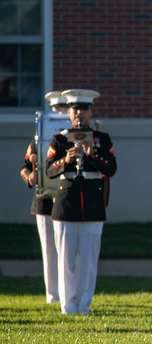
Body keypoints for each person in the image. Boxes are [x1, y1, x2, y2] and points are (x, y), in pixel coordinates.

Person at [45, 89, 117, 314]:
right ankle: (68, 306)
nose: (80, 114)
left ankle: (84, 305)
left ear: (90, 112)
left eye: (84, 110)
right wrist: (67, 158)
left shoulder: (101, 139)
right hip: (66, 203)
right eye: (75, 110)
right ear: (69, 112)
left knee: (88, 261)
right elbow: (48, 170)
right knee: (65, 259)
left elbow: (112, 168)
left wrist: (92, 153)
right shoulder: (59, 139)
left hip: (93, 204)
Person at [19, 91, 68, 303]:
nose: (60, 113)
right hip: (45, 199)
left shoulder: (73, 138)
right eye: (57, 110)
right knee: (49, 248)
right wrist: (29, 175)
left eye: (64, 110)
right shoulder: (39, 139)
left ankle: (68, 291)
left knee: (68, 249)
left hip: (67, 197)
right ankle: (53, 294)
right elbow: (25, 166)